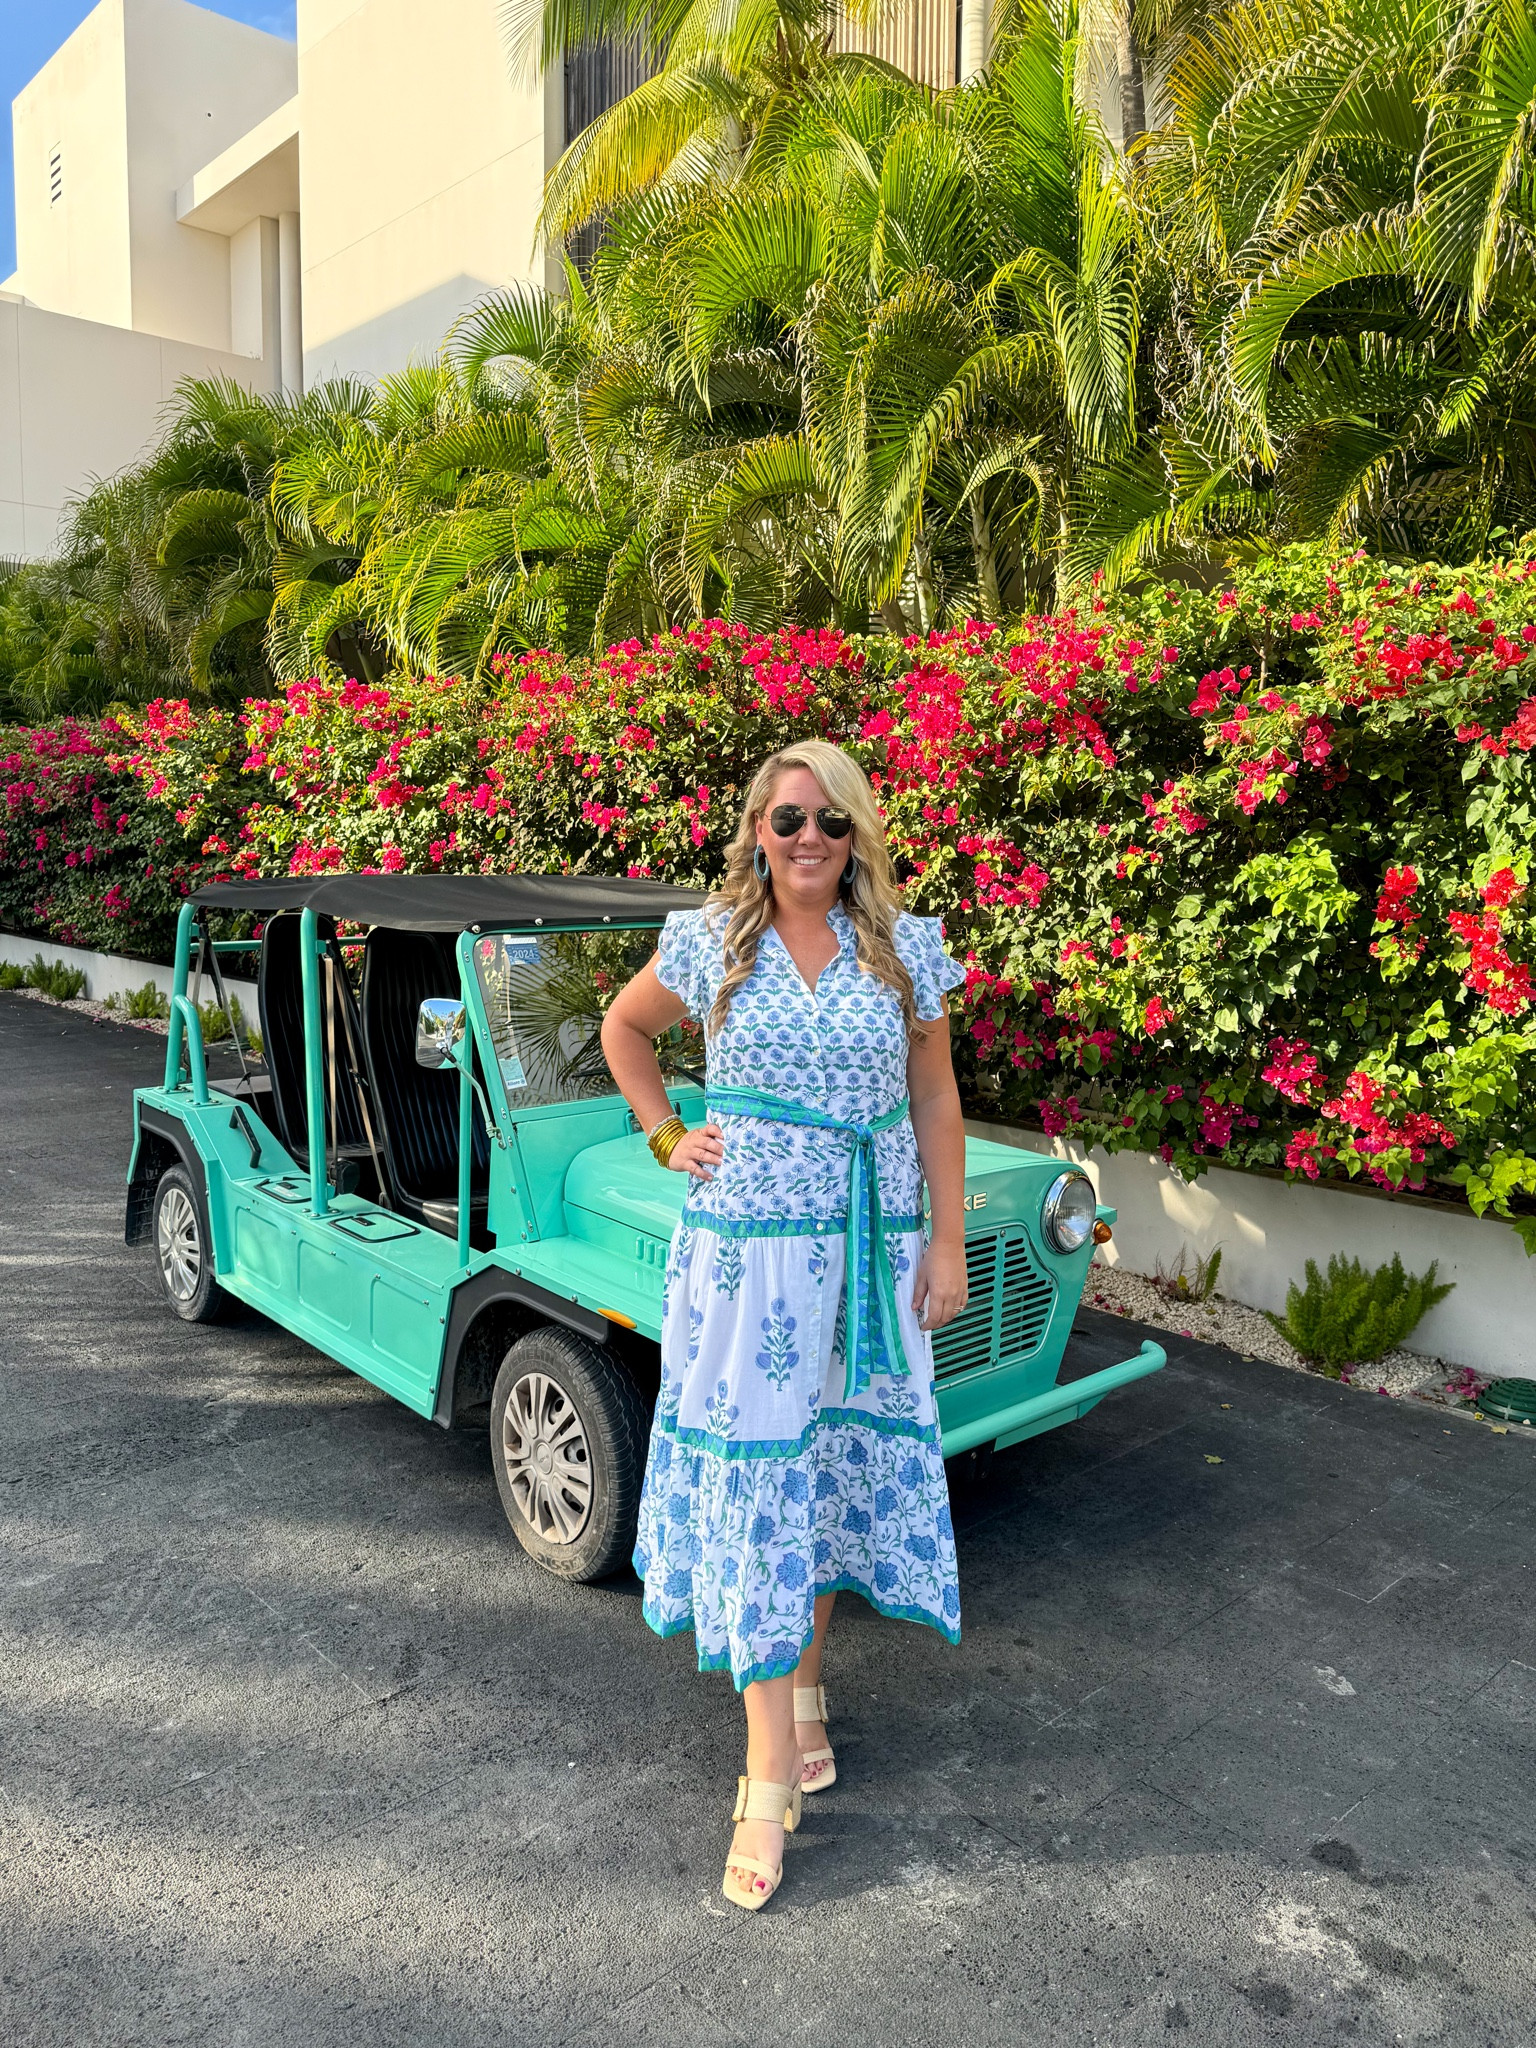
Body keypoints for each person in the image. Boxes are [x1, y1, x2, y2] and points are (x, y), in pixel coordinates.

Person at [600, 739, 969, 1911]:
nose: (809, 839)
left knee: (822, 1475)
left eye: (832, 821)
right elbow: (624, 1029)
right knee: (765, 1487)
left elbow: (935, 1097)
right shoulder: (707, 937)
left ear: (858, 832)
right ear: (757, 825)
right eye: (788, 818)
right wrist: (668, 1134)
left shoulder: (907, 949)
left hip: (868, 1256)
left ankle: (806, 1690)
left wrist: (950, 1240)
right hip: (747, 1269)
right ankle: (766, 1771)